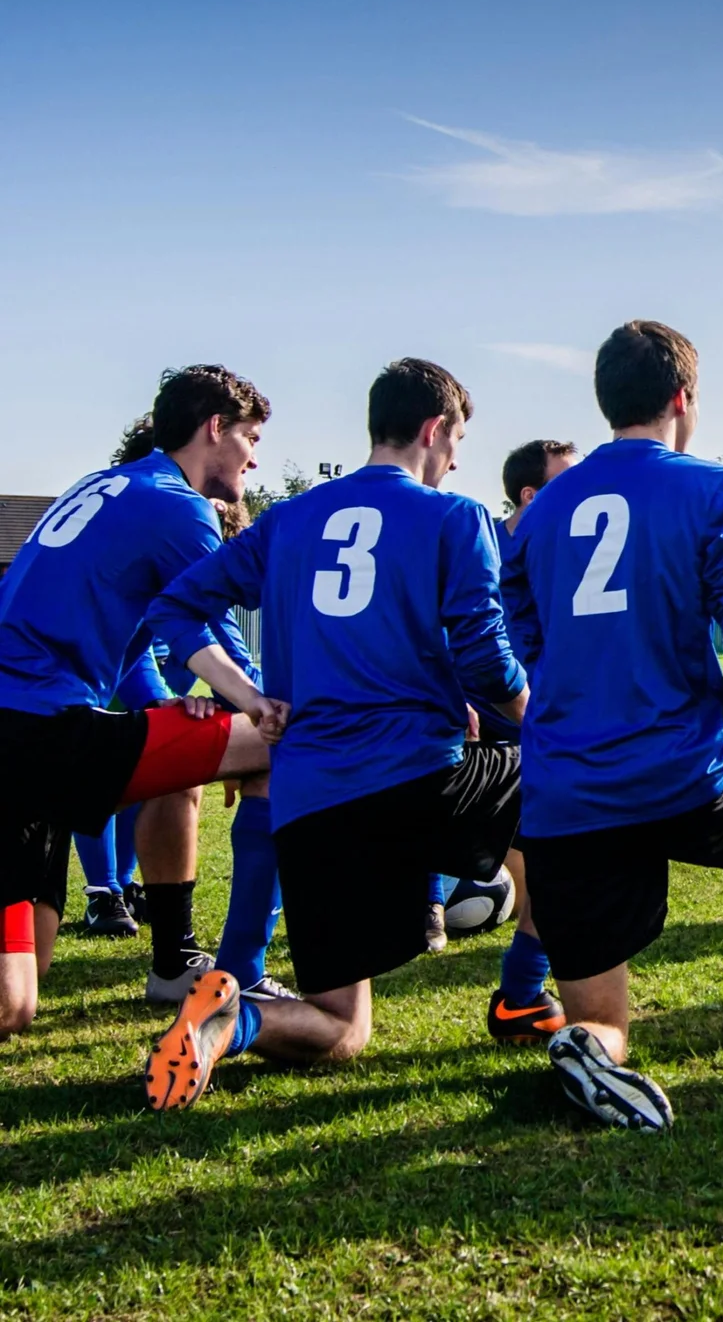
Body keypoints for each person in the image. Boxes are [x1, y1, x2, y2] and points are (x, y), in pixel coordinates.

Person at [141, 358, 533, 1110]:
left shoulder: (290, 519)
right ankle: (529, 992)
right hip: (418, 781)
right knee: (565, 795)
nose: (456, 459)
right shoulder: (455, 518)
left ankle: (233, 1020)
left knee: (342, 1026)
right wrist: (547, 718)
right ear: (432, 429)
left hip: (310, 801)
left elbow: (174, 608)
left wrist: (248, 697)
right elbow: (487, 656)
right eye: (456, 440)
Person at [509, 320, 723, 1132]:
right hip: (681, 775)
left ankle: (586, 1047)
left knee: (606, 1021)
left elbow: (523, 654)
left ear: (606, 400)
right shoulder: (715, 489)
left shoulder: (537, 514)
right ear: (683, 399)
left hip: (567, 795)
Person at [0, 365, 280, 1041]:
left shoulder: (107, 485)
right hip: (38, 735)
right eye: (250, 435)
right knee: (282, 742)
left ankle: (175, 959)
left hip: (30, 738)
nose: (255, 454)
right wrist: (258, 706)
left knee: (17, 1001)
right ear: (215, 427)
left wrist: (166, 703)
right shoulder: (177, 506)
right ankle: (226, 968)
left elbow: (100, 628)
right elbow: (206, 628)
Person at [480, 438, 579, 1038]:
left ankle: (519, 992)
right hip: (480, 728)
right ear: (531, 495)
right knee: (567, 854)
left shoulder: (569, 547)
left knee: (551, 864)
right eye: (566, 482)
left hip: (539, 728)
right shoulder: (480, 539)